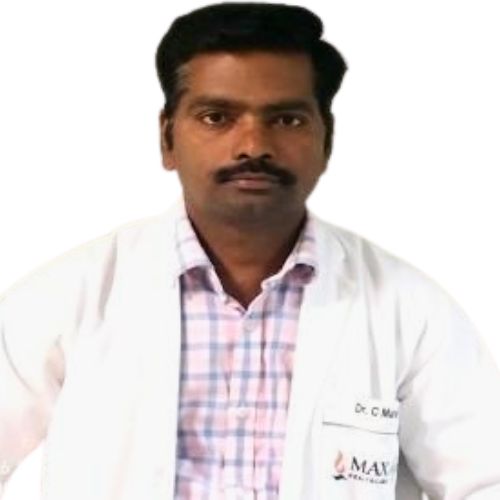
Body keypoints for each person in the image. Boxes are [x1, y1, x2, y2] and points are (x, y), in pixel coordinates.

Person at [1, 2, 499, 499]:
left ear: (327, 140)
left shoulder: (412, 311)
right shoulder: (65, 299)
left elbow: (484, 479)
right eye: (216, 117)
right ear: (167, 138)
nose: (253, 145)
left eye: (287, 119)